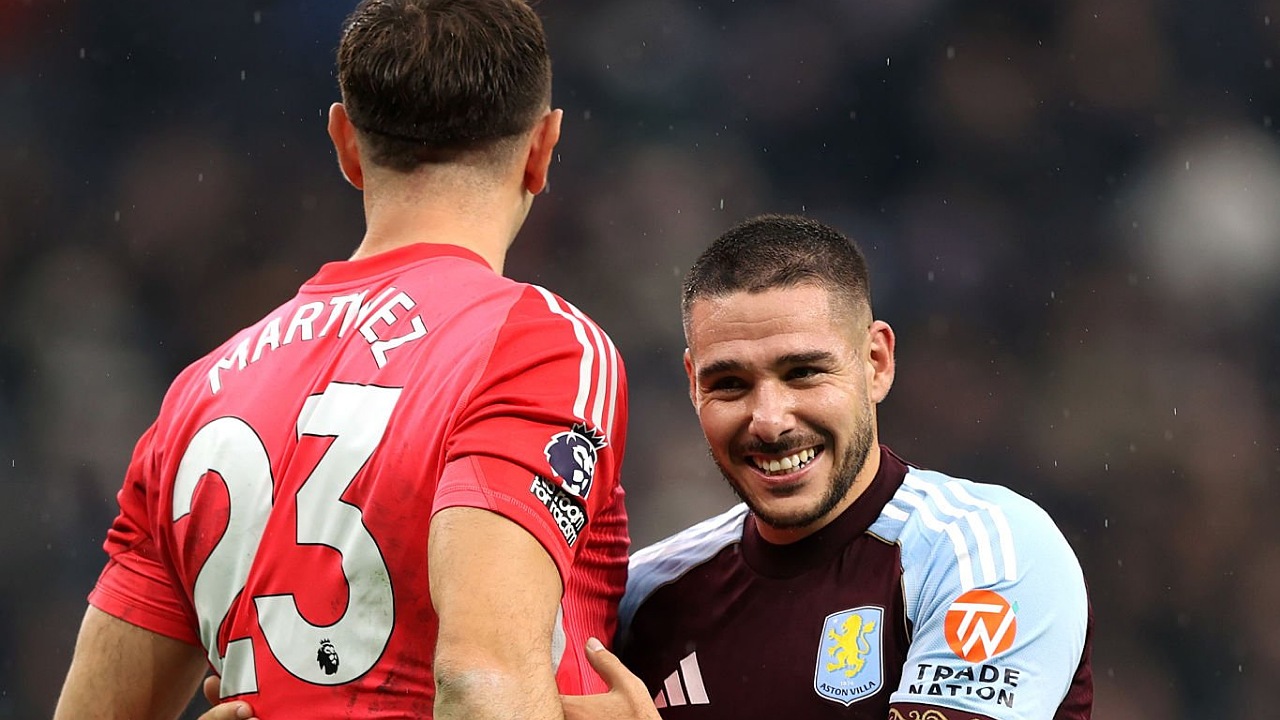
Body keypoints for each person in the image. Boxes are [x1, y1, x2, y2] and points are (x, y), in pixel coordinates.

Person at [53, 1, 630, 718]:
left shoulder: (201, 393)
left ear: (345, 145)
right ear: (543, 149)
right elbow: (480, 684)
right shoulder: (538, 345)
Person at [563, 214, 1092, 720]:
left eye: (803, 372)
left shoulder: (979, 550)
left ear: (876, 362)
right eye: (729, 384)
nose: (769, 421)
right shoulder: (646, 596)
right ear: (692, 386)